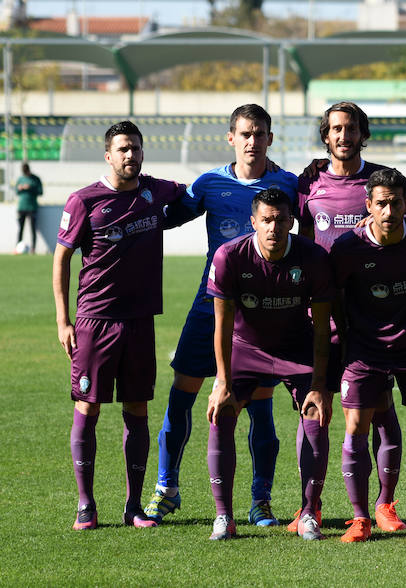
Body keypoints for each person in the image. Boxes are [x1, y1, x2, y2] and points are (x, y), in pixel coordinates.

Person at [145, 104, 299, 527]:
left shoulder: (287, 183)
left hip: (264, 311)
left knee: (261, 405)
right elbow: (165, 217)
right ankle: (165, 489)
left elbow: (318, 223)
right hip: (209, 303)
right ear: (231, 138)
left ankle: (259, 500)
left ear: (270, 138)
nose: (252, 141)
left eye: (260, 133)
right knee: (184, 393)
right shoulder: (210, 183)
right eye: (245, 134)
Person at [53, 121, 186, 530]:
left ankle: (133, 508)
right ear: (108, 155)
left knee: (137, 408)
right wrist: (63, 320)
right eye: (123, 149)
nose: (130, 155)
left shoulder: (156, 191)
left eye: (136, 149)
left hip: (140, 321)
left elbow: (197, 194)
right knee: (88, 406)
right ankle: (85, 505)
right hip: (94, 321)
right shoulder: (84, 201)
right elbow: (61, 260)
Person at [292, 101, 406, 535]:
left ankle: (384, 505)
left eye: (351, 129)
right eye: (336, 129)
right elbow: (303, 244)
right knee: (314, 412)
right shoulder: (307, 183)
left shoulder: (383, 183)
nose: (343, 136)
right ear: (325, 135)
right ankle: (310, 506)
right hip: (320, 318)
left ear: (363, 134)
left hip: (371, 321)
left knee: (379, 411)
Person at [329, 168, 406, 544]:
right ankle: (361, 518)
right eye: (380, 203)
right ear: (368, 205)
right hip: (364, 353)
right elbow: (331, 301)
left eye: (395, 202)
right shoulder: (348, 248)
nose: (388, 210)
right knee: (355, 432)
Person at [205, 187, 333, 540]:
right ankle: (223, 517)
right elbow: (222, 324)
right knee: (221, 413)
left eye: (280, 220)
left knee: (316, 415)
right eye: (266, 220)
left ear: (291, 221)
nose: (273, 227)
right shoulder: (229, 256)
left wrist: (320, 386)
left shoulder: (313, 257)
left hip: (297, 348)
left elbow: (322, 328)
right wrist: (222, 382)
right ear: (253, 222)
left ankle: (309, 513)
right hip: (246, 347)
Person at [16, 162, 43, 253]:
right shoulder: (20, 179)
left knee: (33, 229)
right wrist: (19, 188)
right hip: (22, 207)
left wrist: (30, 188)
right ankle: (17, 248)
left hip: (32, 207)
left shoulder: (35, 179)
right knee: (21, 228)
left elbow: (40, 192)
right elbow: (17, 191)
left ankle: (33, 249)